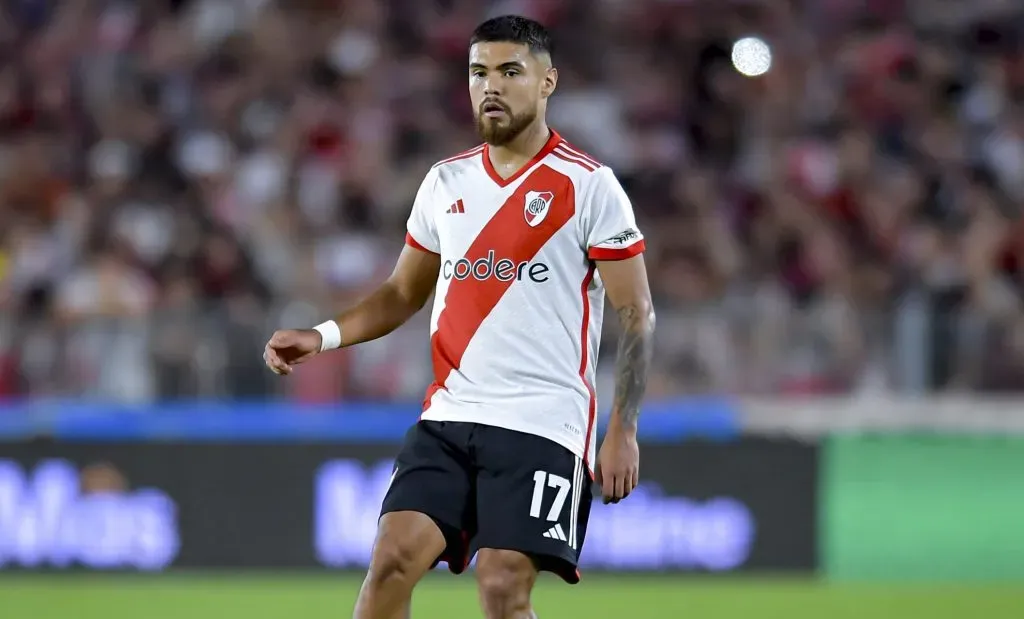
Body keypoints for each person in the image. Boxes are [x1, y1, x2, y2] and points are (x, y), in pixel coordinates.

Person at [263, 15, 654, 619]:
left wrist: (623, 428)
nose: (490, 85)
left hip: (543, 422)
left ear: (547, 82)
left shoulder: (589, 186)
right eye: (478, 72)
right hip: (449, 417)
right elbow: (400, 294)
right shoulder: (445, 182)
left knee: (502, 587)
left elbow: (636, 315)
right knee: (391, 561)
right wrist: (322, 336)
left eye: (509, 71)